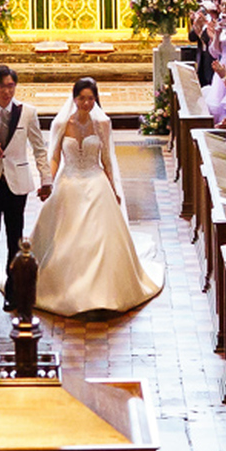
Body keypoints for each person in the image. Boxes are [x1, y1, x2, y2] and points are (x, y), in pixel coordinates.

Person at [29, 77, 163, 316]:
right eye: (82, 98)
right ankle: (67, 288)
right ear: (74, 98)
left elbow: (107, 161)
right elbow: (55, 156)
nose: (86, 103)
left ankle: (102, 291)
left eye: (91, 98)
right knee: (64, 236)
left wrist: (114, 189)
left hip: (95, 180)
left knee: (99, 237)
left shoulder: (103, 123)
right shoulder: (62, 122)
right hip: (68, 181)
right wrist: (49, 182)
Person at [0, 65, 53, 312]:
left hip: (17, 182)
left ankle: (12, 289)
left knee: (14, 238)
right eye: (2, 85)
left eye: (11, 85)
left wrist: (45, 179)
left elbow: (39, 147)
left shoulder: (28, 112)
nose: (7, 90)